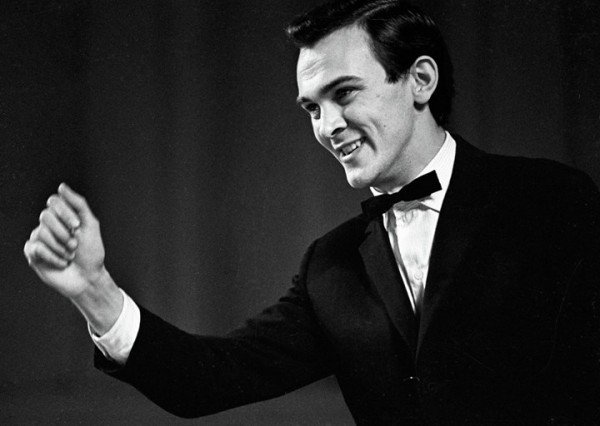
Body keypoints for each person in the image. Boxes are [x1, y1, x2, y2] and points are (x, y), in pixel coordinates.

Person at [23, 0, 600, 424]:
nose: (328, 127)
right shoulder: (332, 266)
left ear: (420, 80)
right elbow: (209, 380)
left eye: (344, 93)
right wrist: (94, 290)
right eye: (312, 109)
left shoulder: (550, 200)